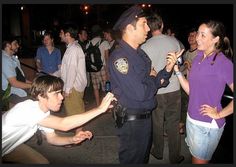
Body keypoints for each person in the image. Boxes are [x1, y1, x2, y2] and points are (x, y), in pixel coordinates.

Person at [109, 5, 183, 164]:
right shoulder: (120, 58)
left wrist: (168, 68)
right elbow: (141, 92)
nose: (148, 28)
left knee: (142, 160)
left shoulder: (139, 53)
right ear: (129, 29)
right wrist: (150, 79)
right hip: (132, 123)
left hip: (144, 118)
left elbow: (157, 82)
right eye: (144, 24)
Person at [2, 75, 116, 164]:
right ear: (41, 96)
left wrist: (73, 139)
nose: (62, 97)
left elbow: (52, 138)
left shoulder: (44, 113)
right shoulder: (28, 109)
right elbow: (63, 124)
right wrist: (100, 109)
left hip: (10, 147)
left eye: (61, 92)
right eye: (56, 93)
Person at [171, 20, 233, 164]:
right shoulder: (199, 56)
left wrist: (219, 113)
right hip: (191, 119)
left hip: (206, 125)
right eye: (198, 33)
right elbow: (192, 91)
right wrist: (176, 70)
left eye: (203, 35)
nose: (197, 38)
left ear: (215, 39)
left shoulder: (223, 63)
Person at [141, 13, 184, 164]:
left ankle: (158, 151)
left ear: (148, 27)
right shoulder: (174, 42)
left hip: (157, 90)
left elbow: (145, 71)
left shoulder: (144, 47)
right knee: (173, 122)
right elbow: (180, 62)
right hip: (174, 89)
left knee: (157, 123)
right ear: (162, 25)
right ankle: (175, 156)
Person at [2, 37, 32, 107]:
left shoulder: (12, 58)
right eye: (15, 44)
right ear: (8, 45)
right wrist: (33, 86)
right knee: (34, 102)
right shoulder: (5, 60)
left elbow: (21, 79)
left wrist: (34, 83)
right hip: (9, 93)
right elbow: (14, 83)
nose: (18, 46)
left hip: (17, 88)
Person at [179, 27, 198, 134]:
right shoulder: (186, 53)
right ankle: (182, 127)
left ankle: (183, 127)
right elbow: (183, 70)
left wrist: (191, 67)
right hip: (184, 84)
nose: (191, 37)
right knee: (182, 105)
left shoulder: (200, 53)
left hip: (195, 86)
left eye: (193, 35)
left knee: (188, 107)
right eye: (189, 35)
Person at [88, 24, 110, 106]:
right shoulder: (104, 42)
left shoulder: (89, 43)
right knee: (106, 87)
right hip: (102, 68)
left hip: (92, 69)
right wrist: (108, 71)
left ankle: (98, 105)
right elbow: (107, 58)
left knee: (95, 87)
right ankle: (106, 105)